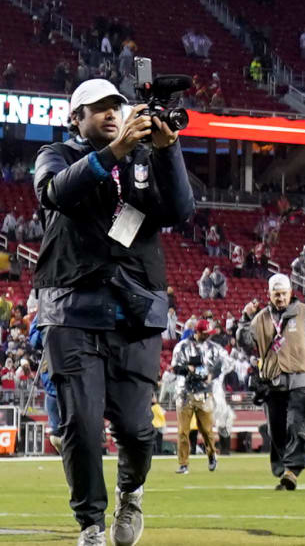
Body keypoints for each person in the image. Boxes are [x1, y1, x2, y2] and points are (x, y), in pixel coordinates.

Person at [33, 78, 194, 546]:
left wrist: (169, 150)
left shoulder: (145, 161)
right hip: (73, 310)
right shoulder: (55, 156)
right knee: (80, 427)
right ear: (75, 118)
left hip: (136, 310)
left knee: (137, 429)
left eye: (115, 107)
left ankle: (131, 492)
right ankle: (90, 526)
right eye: (96, 108)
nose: (109, 114)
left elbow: (180, 210)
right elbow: (56, 193)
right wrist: (114, 153)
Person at [237, 273, 305, 492]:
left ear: (290, 293)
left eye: (283, 294)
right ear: (269, 294)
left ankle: (292, 470)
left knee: (295, 424)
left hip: (302, 378)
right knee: (275, 429)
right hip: (273, 382)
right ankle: (282, 466)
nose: (279, 298)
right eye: (276, 294)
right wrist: (244, 318)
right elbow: (244, 343)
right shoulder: (260, 318)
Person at [170, 318, 226, 474]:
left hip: (204, 393)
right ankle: (183, 463)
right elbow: (175, 368)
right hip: (184, 393)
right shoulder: (181, 347)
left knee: (207, 430)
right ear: (198, 332)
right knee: (183, 431)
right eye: (206, 333)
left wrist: (211, 375)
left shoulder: (213, 348)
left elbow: (220, 366)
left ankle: (212, 455)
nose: (208, 336)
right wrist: (189, 370)